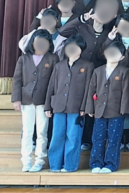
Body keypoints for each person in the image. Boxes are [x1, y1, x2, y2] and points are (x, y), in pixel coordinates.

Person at [44, 35, 93, 173]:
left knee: (73, 137)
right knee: (57, 136)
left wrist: (84, 107)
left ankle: (70, 166)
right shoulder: (59, 65)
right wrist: (48, 106)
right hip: (58, 106)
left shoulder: (87, 65)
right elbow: (51, 86)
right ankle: (55, 165)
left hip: (76, 108)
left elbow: (89, 88)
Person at [12, 30, 59, 172]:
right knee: (27, 131)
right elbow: (17, 79)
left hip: (44, 101)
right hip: (26, 100)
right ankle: (26, 161)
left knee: (42, 132)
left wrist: (50, 103)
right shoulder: (24, 59)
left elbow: (54, 82)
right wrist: (16, 99)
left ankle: (39, 160)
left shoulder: (53, 58)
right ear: (32, 42)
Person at [86, 43, 129, 173]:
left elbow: (126, 92)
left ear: (122, 57)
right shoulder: (97, 71)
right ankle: (96, 163)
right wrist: (90, 108)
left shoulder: (124, 71)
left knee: (114, 139)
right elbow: (91, 90)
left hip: (116, 110)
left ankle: (110, 164)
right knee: (97, 138)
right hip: (99, 110)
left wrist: (124, 110)